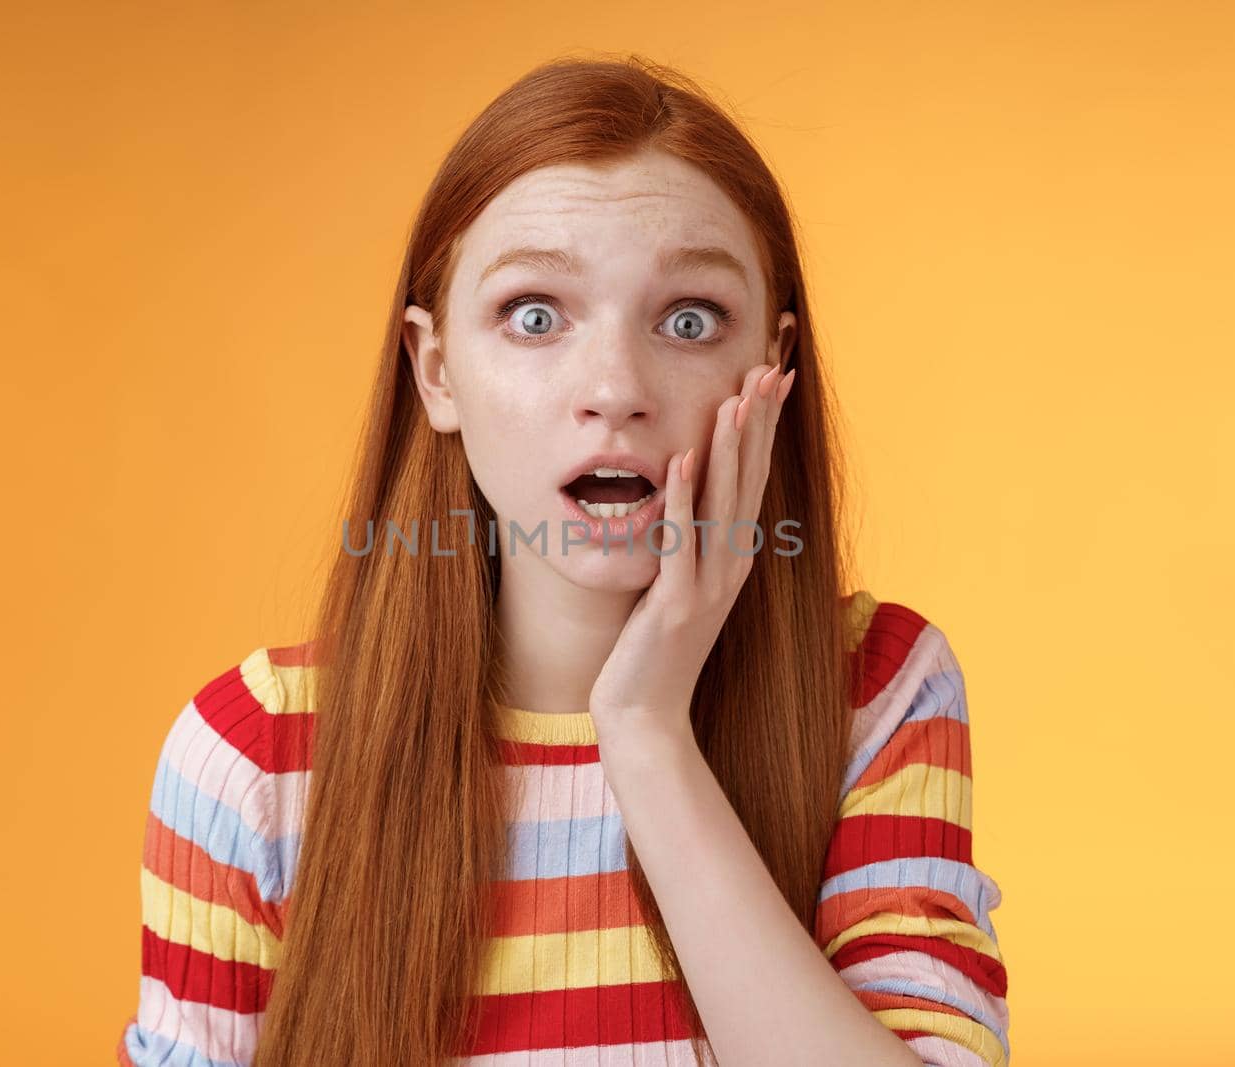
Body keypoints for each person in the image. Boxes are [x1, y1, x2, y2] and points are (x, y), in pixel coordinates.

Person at [116, 53, 1010, 1067]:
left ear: (774, 368)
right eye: (534, 315)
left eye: (689, 319)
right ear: (436, 370)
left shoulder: (878, 689)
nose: (615, 388)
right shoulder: (252, 757)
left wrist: (644, 731)